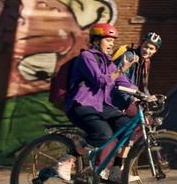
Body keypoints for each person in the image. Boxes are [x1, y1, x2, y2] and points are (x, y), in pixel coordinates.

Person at [55, 23, 139, 182]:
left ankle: (114, 169)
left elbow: (123, 82)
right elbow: (99, 81)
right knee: (104, 134)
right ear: (95, 40)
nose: (112, 44)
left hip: (100, 107)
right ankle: (66, 160)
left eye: (113, 41)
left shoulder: (109, 62)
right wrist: (121, 69)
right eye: (108, 40)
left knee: (127, 125)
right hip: (81, 105)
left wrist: (143, 95)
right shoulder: (87, 57)